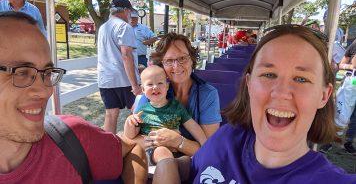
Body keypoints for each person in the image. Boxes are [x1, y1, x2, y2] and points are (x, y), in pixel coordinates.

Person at [153, 25, 356, 184]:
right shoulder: (227, 138)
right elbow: (194, 165)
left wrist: (177, 145)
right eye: (268, 74)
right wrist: (165, 162)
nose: (281, 93)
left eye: (301, 79)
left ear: (324, 95)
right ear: (249, 85)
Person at [0, 11, 148, 184]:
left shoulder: (70, 138)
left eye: (47, 73)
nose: (45, 91)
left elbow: (133, 148)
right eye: (22, 72)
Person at [133, 33, 221, 157]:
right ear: (161, 64)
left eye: (182, 58)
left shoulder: (207, 94)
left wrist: (178, 142)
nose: (176, 66)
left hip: (193, 164)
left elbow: (208, 149)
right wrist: (158, 144)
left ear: (192, 59)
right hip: (155, 158)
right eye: (169, 61)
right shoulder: (154, 91)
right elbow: (131, 139)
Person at [124, 65, 206, 165]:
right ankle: (170, 168)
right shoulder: (142, 110)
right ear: (143, 89)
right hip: (150, 151)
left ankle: (172, 168)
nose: (155, 87)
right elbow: (130, 135)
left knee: (184, 159)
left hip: (173, 149)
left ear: (167, 86)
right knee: (161, 151)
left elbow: (193, 126)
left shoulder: (176, 107)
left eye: (160, 83)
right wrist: (130, 122)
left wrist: (205, 144)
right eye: (150, 84)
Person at [97, 0, 141, 134]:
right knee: (137, 112)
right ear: (126, 11)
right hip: (124, 79)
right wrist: (135, 85)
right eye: (130, 12)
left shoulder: (103, 27)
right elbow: (126, 55)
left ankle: (108, 149)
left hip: (106, 79)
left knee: (111, 114)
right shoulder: (124, 26)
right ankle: (134, 145)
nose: (130, 16)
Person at [339, 39, 356, 155]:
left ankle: (348, 142)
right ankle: (328, 140)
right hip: (351, 83)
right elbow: (341, 64)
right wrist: (351, 67)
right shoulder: (355, 44)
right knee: (342, 112)